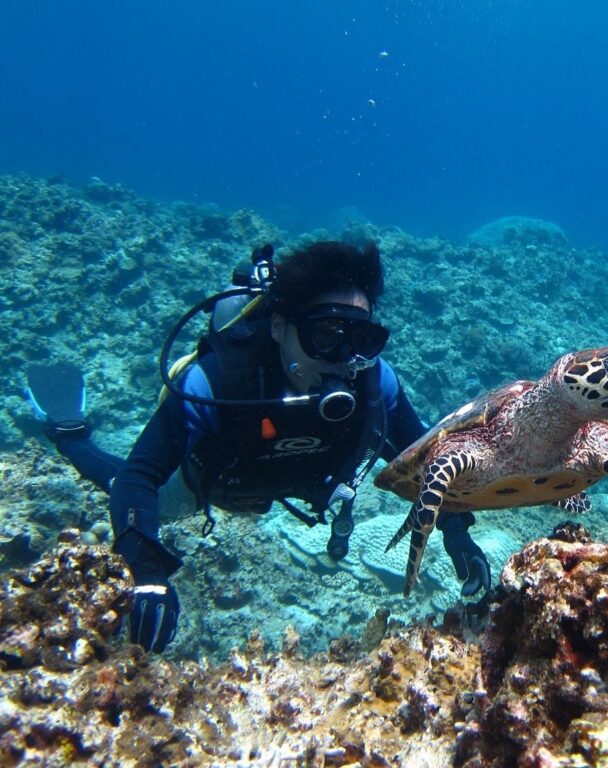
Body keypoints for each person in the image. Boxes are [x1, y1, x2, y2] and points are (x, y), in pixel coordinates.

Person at [26, 241, 492, 653]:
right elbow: (137, 478)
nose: (343, 360)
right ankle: (70, 434)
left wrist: (457, 533)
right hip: (212, 484)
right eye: (325, 336)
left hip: (302, 484)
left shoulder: (374, 385)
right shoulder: (218, 381)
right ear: (279, 327)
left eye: (361, 339)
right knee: (125, 489)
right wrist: (146, 571)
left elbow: (428, 462)